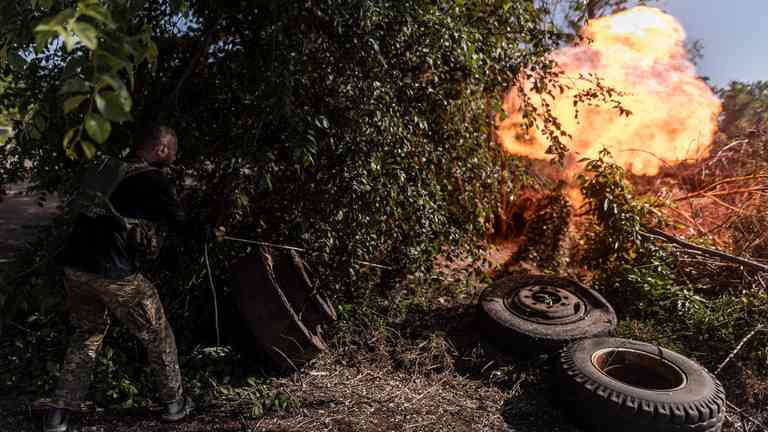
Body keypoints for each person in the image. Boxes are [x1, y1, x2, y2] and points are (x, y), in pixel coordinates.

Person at [40, 125, 194, 432]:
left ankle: (58, 414)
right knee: (158, 334)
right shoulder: (154, 180)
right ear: (161, 149)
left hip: (76, 269)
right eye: (173, 152)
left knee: (88, 334)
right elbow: (182, 223)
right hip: (115, 275)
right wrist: (208, 233)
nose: (174, 159)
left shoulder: (111, 170)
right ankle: (175, 404)